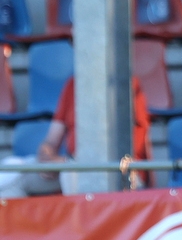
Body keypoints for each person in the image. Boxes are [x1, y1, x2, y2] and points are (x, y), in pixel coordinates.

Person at [0, 76, 151, 197]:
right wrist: (46, 156)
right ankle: (21, 233)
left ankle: (79, 232)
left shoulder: (128, 85)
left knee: (70, 173)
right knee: (8, 177)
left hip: (119, 170)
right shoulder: (73, 85)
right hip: (71, 164)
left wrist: (66, 163)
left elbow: (130, 147)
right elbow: (51, 140)